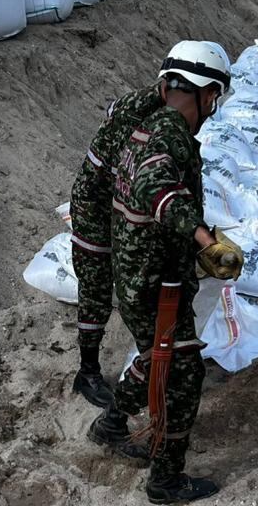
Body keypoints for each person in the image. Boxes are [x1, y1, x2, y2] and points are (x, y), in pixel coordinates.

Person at [87, 41, 244, 504]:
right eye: (214, 96)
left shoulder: (147, 124)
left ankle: (111, 423)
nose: (213, 105)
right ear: (207, 94)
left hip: (139, 274)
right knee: (183, 374)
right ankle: (166, 481)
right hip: (155, 282)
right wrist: (207, 243)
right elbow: (160, 191)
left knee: (160, 356)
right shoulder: (168, 135)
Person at [70, 79, 166, 409]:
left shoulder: (165, 111)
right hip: (96, 206)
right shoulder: (136, 114)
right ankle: (87, 372)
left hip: (120, 202)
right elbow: (134, 182)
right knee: (97, 286)